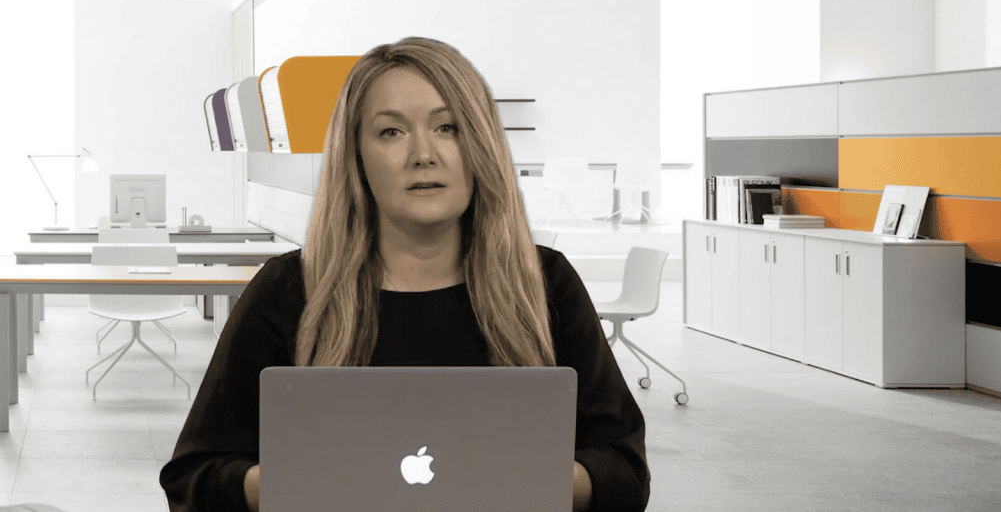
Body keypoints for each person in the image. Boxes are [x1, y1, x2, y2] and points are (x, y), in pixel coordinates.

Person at [159, 37, 650, 512]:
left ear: (480, 144)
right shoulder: (288, 291)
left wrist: (514, 482)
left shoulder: (545, 283)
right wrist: (300, 485)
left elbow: (625, 472)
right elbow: (193, 478)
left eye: (448, 127)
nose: (423, 154)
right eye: (391, 132)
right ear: (356, 157)